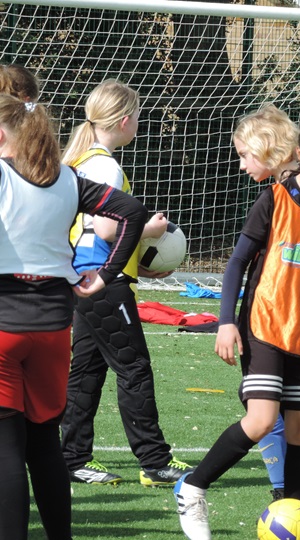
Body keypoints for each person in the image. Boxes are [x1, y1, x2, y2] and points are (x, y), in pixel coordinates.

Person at [173, 115, 300, 539]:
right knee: (261, 420)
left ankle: (295, 514)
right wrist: (226, 322)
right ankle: (192, 487)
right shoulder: (275, 199)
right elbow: (237, 263)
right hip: (264, 326)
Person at [0, 92, 147, 538]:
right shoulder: (68, 179)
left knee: (6, 449)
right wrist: (107, 274)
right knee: (44, 442)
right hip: (52, 327)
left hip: (4, 325)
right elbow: (132, 212)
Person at [60, 79, 194, 486]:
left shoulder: (82, 159)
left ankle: (73, 458)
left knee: (87, 371)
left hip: (86, 276)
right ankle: (155, 462)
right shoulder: (105, 166)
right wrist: (149, 231)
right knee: (134, 367)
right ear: (124, 120)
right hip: (105, 281)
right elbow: (105, 228)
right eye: (137, 115)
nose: (138, 122)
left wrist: (142, 266)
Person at [232, 104, 300, 505]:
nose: (242, 165)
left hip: (276, 316)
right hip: (292, 317)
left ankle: (291, 491)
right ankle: (295, 495)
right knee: (283, 411)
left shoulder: (287, 194)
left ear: (266, 146)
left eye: (245, 154)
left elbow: (238, 261)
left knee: (271, 408)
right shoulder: (292, 191)